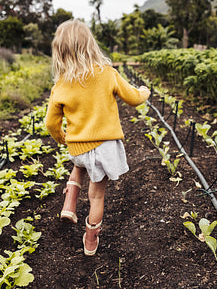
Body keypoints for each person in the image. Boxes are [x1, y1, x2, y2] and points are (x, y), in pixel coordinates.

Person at [45, 19, 150, 256]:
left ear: (60, 51)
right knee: (96, 195)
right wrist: (144, 91)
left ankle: (69, 203)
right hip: (104, 148)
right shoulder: (107, 74)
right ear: (90, 44)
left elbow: (51, 123)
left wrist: (63, 138)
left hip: (78, 149)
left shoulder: (61, 84)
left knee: (79, 163)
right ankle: (91, 240)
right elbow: (133, 98)